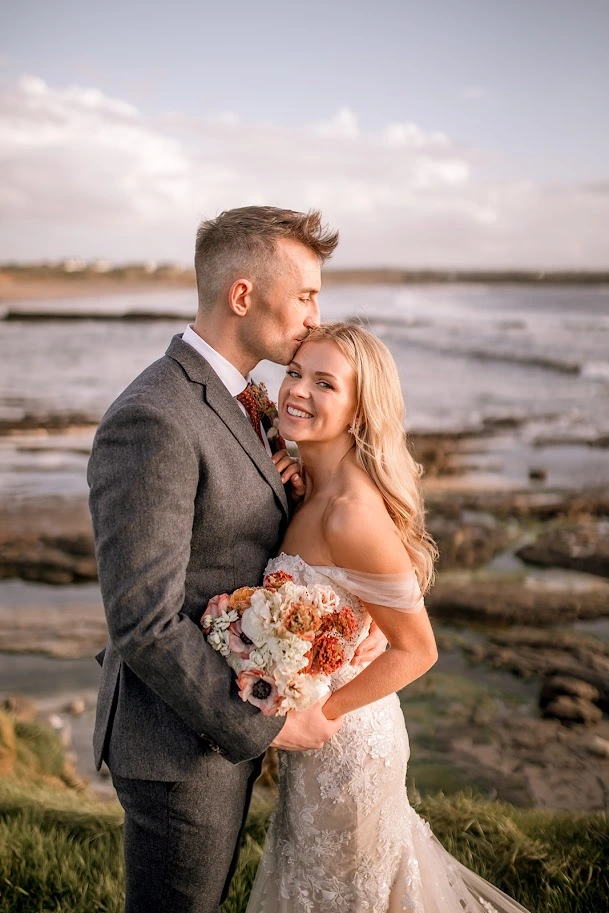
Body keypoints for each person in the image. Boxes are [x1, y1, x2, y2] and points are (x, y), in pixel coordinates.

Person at [87, 208, 388, 913]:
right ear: (244, 296)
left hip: (212, 732)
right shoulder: (154, 416)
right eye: (307, 293)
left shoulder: (242, 401)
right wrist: (269, 721)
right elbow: (144, 619)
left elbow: (241, 540)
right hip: (177, 744)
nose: (316, 316)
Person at [245, 323, 532, 913]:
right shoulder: (310, 491)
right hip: (315, 747)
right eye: (295, 372)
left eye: (325, 383)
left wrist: (318, 715)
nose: (297, 390)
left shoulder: (351, 512)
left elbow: (418, 649)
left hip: (348, 749)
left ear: (359, 408)